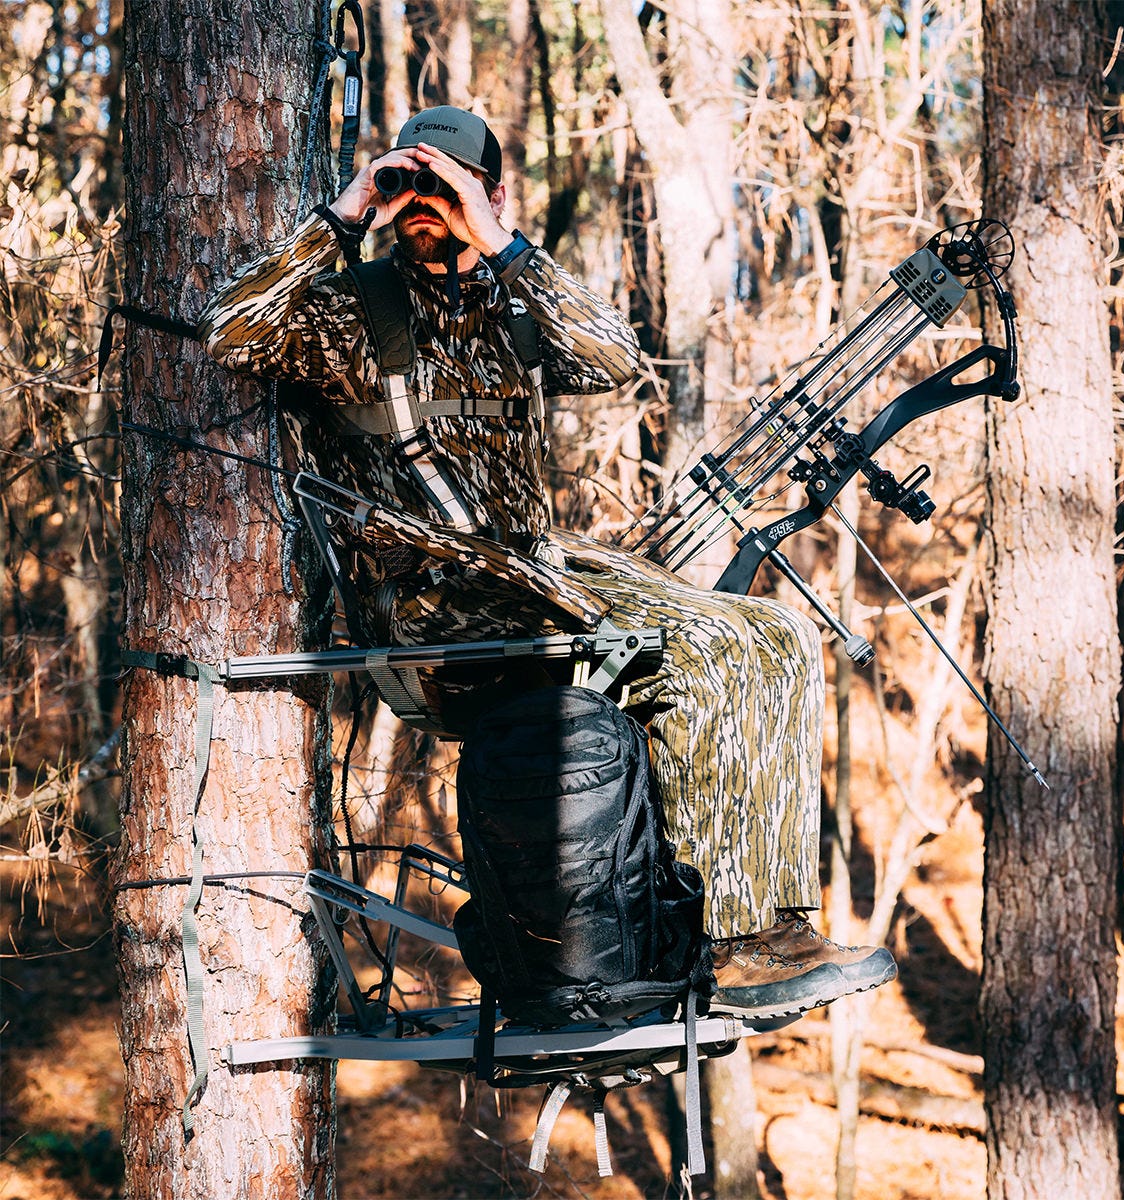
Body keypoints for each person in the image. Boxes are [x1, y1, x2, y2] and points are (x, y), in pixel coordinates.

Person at [197, 105, 896, 1018]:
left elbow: (613, 356)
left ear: (490, 195)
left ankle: (773, 926)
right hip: (437, 601)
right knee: (709, 656)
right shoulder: (353, 310)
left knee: (776, 636)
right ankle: (726, 947)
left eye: (446, 187)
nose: (426, 204)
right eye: (412, 184)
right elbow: (232, 336)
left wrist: (497, 239)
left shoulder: (514, 296)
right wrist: (351, 207)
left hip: (536, 573)